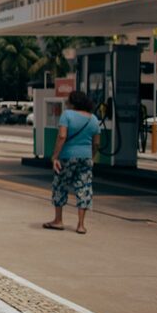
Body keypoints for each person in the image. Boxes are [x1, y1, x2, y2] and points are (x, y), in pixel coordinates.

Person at [43, 90, 101, 235]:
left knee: (60, 186)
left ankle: (58, 220)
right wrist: (91, 157)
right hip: (86, 158)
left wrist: (55, 156)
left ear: (73, 103)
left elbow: (62, 136)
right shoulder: (93, 119)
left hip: (67, 157)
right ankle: (81, 225)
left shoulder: (67, 115)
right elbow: (97, 143)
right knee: (84, 188)